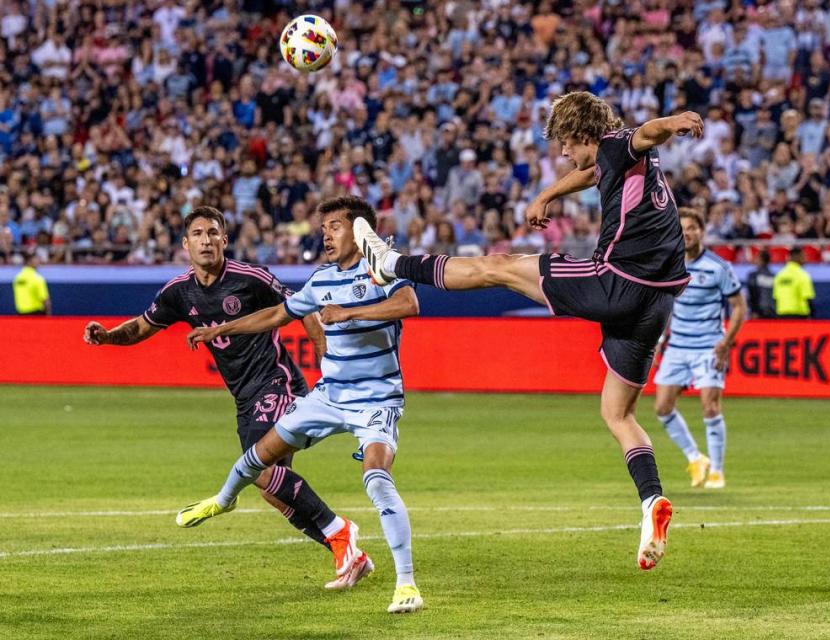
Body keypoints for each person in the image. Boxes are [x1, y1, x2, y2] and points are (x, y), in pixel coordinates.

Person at [354, 91, 705, 571]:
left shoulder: (619, 142)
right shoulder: (618, 160)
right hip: (657, 303)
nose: (563, 154)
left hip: (617, 282)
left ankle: (392, 262)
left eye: (565, 144)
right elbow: (592, 171)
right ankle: (652, 503)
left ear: (583, 133)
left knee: (497, 266)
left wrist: (676, 121)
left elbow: (646, 132)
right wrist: (547, 195)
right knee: (616, 412)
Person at [82, 206, 368, 588]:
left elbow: (306, 309)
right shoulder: (178, 292)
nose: (206, 240)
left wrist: (327, 367)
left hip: (276, 383)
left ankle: (341, 531)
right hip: (245, 399)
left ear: (224, 240)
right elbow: (140, 327)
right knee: (274, 489)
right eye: (197, 234)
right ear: (185, 244)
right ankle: (349, 556)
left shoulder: (249, 279)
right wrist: (107, 337)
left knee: (263, 471)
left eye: (213, 233)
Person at [178, 196, 423, 614]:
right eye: (323, 226)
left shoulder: (381, 268)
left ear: (361, 231)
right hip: (329, 396)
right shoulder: (322, 278)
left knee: (377, 479)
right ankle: (223, 498)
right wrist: (222, 328)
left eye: (335, 226)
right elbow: (276, 316)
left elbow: (409, 305)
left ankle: (406, 585)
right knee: (257, 459)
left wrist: (348, 313)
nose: (325, 233)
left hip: (375, 399)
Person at [653, 209, 746, 490]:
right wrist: (659, 341)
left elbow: (739, 307)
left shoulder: (719, 267)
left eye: (692, 228)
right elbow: (665, 307)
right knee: (662, 407)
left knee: (710, 406)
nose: (686, 233)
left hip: (708, 346)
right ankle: (696, 458)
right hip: (678, 345)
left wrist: (725, 343)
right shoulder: (670, 266)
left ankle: (717, 471)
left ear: (702, 231)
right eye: (681, 229)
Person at [772, 248, 816, 318]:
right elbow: (808, 297)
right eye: (803, 256)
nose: (805, 259)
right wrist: (812, 315)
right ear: (798, 257)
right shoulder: (803, 275)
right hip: (799, 314)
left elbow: (775, 297)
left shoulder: (779, 275)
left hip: (781, 314)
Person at [745, 249, 776, 318]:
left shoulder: (753, 276)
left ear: (760, 259)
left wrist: (753, 311)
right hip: (773, 312)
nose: (755, 260)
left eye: (756, 258)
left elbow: (752, 295)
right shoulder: (774, 276)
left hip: (758, 313)